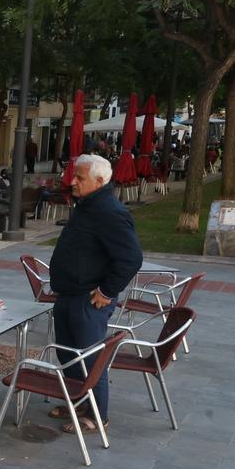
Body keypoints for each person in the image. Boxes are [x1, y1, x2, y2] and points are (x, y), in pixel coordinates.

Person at [47, 154, 142, 435]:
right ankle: (78, 401)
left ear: (100, 181)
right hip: (68, 294)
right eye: (74, 176)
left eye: (80, 178)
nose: (72, 181)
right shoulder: (87, 205)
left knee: (89, 358)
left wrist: (107, 291)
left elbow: (130, 258)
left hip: (88, 300)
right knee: (68, 355)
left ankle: (98, 414)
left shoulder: (110, 211)